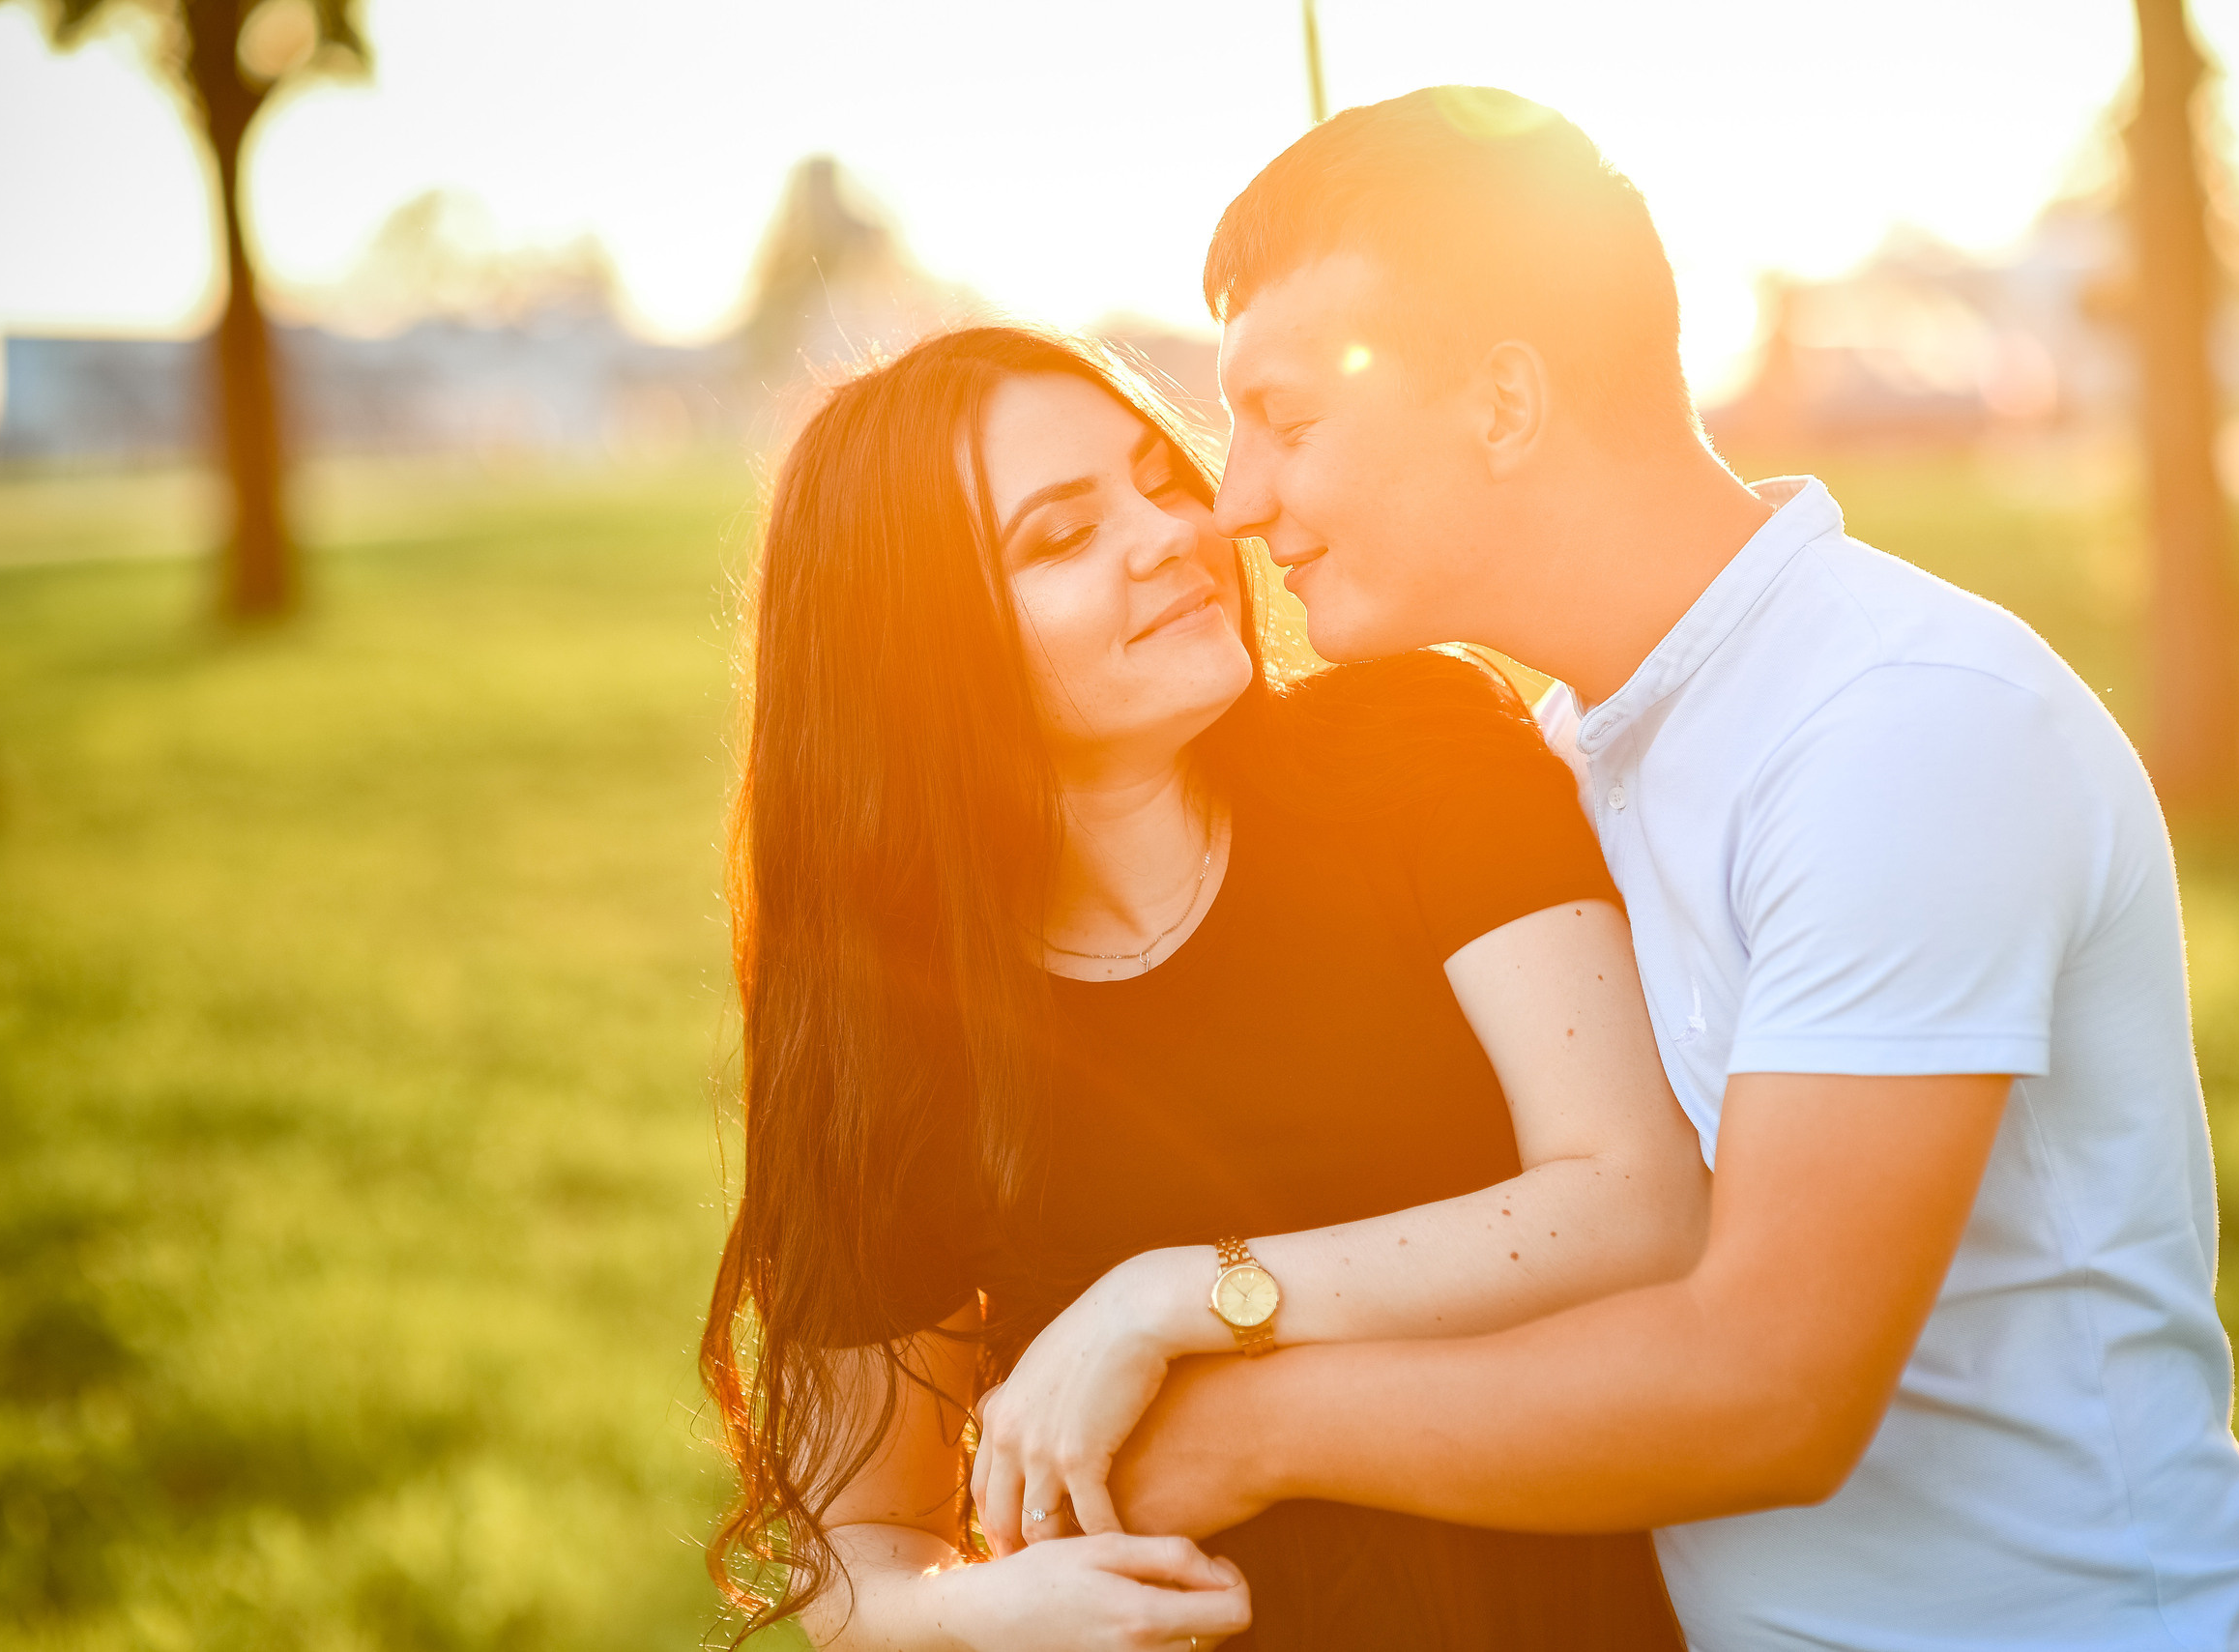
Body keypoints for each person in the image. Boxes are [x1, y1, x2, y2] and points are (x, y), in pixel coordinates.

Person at [1099, 86, 2239, 1652]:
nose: (1236, 500)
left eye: (1291, 420)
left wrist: (1251, 1421)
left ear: (1507, 403)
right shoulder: (1569, 750)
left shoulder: (1898, 729)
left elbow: (1774, 1389)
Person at [701, 324, 1707, 1649]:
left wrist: (1177, 1295)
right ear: (922, 650)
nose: (1172, 531)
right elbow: (857, 1553)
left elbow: (1638, 1201)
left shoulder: (1418, 746)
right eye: (1060, 537)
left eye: (1159, 478)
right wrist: (983, 1616)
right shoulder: (901, 1015)